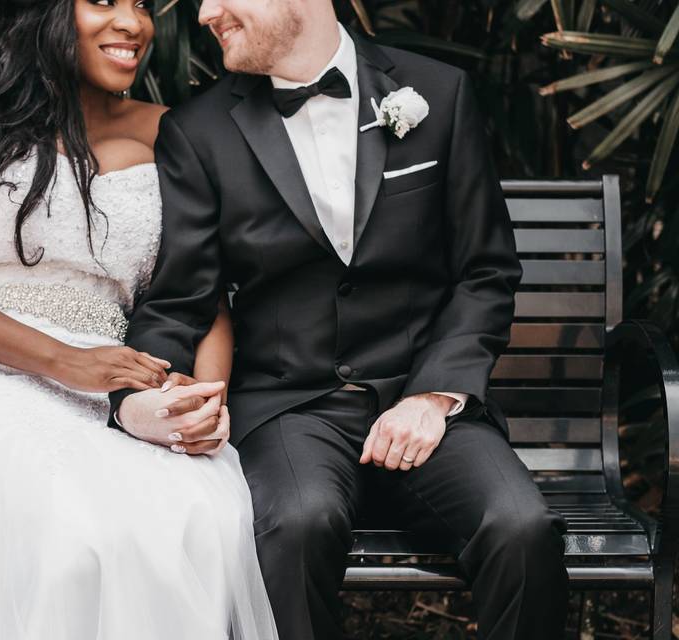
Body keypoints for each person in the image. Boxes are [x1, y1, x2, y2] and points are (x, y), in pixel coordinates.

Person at [110, 1, 570, 638]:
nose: (207, 13)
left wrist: (435, 396)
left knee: (522, 529)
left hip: (426, 402)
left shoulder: (438, 92)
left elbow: (484, 272)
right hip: (291, 409)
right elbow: (180, 302)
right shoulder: (201, 130)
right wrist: (135, 396)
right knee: (293, 528)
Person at [0, 1, 279, 638]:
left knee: (185, 512)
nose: (134, 23)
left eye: (143, 6)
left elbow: (202, 297)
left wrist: (198, 400)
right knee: (59, 522)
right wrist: (66, 362)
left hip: (122, 378)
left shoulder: (174, 132)